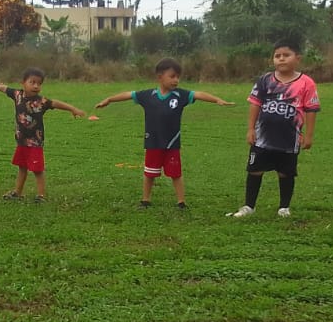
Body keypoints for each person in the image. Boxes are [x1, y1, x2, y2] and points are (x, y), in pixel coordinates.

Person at [96, 57, 234, 209]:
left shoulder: (180, 95)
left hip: (172, 144)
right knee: (150, 173)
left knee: (176, 174)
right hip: (153, 142)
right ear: (160, 77)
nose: (176, 80)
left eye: (178, 77)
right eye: (172, 76)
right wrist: (109, 99)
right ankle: (145, 200)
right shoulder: (148, 95)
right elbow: (129, 94)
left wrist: (217, 100)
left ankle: (181, 202)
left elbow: (198, 94)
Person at [226, 40, 320, 219]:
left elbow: (311, 109)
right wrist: (250, 129)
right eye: (277, 56)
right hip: (262, 138)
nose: (281, 59)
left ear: (297, 58)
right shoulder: (265, 80)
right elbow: (255, 104)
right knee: (254, 170)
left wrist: (308, 135)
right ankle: (249, 206)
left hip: (289, 139)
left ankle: (284, 207)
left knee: (286, 173)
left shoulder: (306, 83)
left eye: (286, 55)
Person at [0, 68, 86, 202]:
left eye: (39, 83)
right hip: (21, 142)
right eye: (32, 82)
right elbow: (6, 89)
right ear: (23, 83)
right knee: (22, 167)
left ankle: (41, 196)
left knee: (37, 170)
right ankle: (17, 193)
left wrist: (73, 109)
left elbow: (56, 103)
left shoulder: (41, 102)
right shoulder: (17, 95)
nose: (36, 86)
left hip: (35, 142)